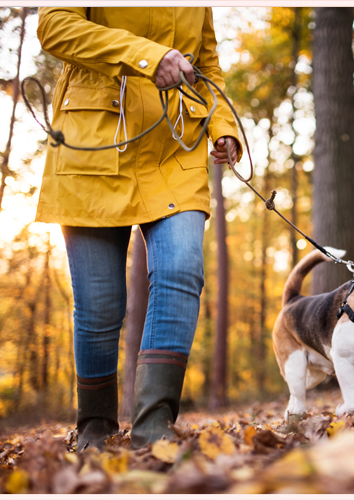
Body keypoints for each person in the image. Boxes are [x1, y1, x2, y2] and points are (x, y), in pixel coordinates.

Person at [36, 7, 241, 451]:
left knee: (181, 270)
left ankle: (154, 427)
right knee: (99, 307)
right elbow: (54, 28)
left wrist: (222, 126)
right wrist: (148, 56)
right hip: (94, 139)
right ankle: (95, 426)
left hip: (175, 145)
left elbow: (207, 64)